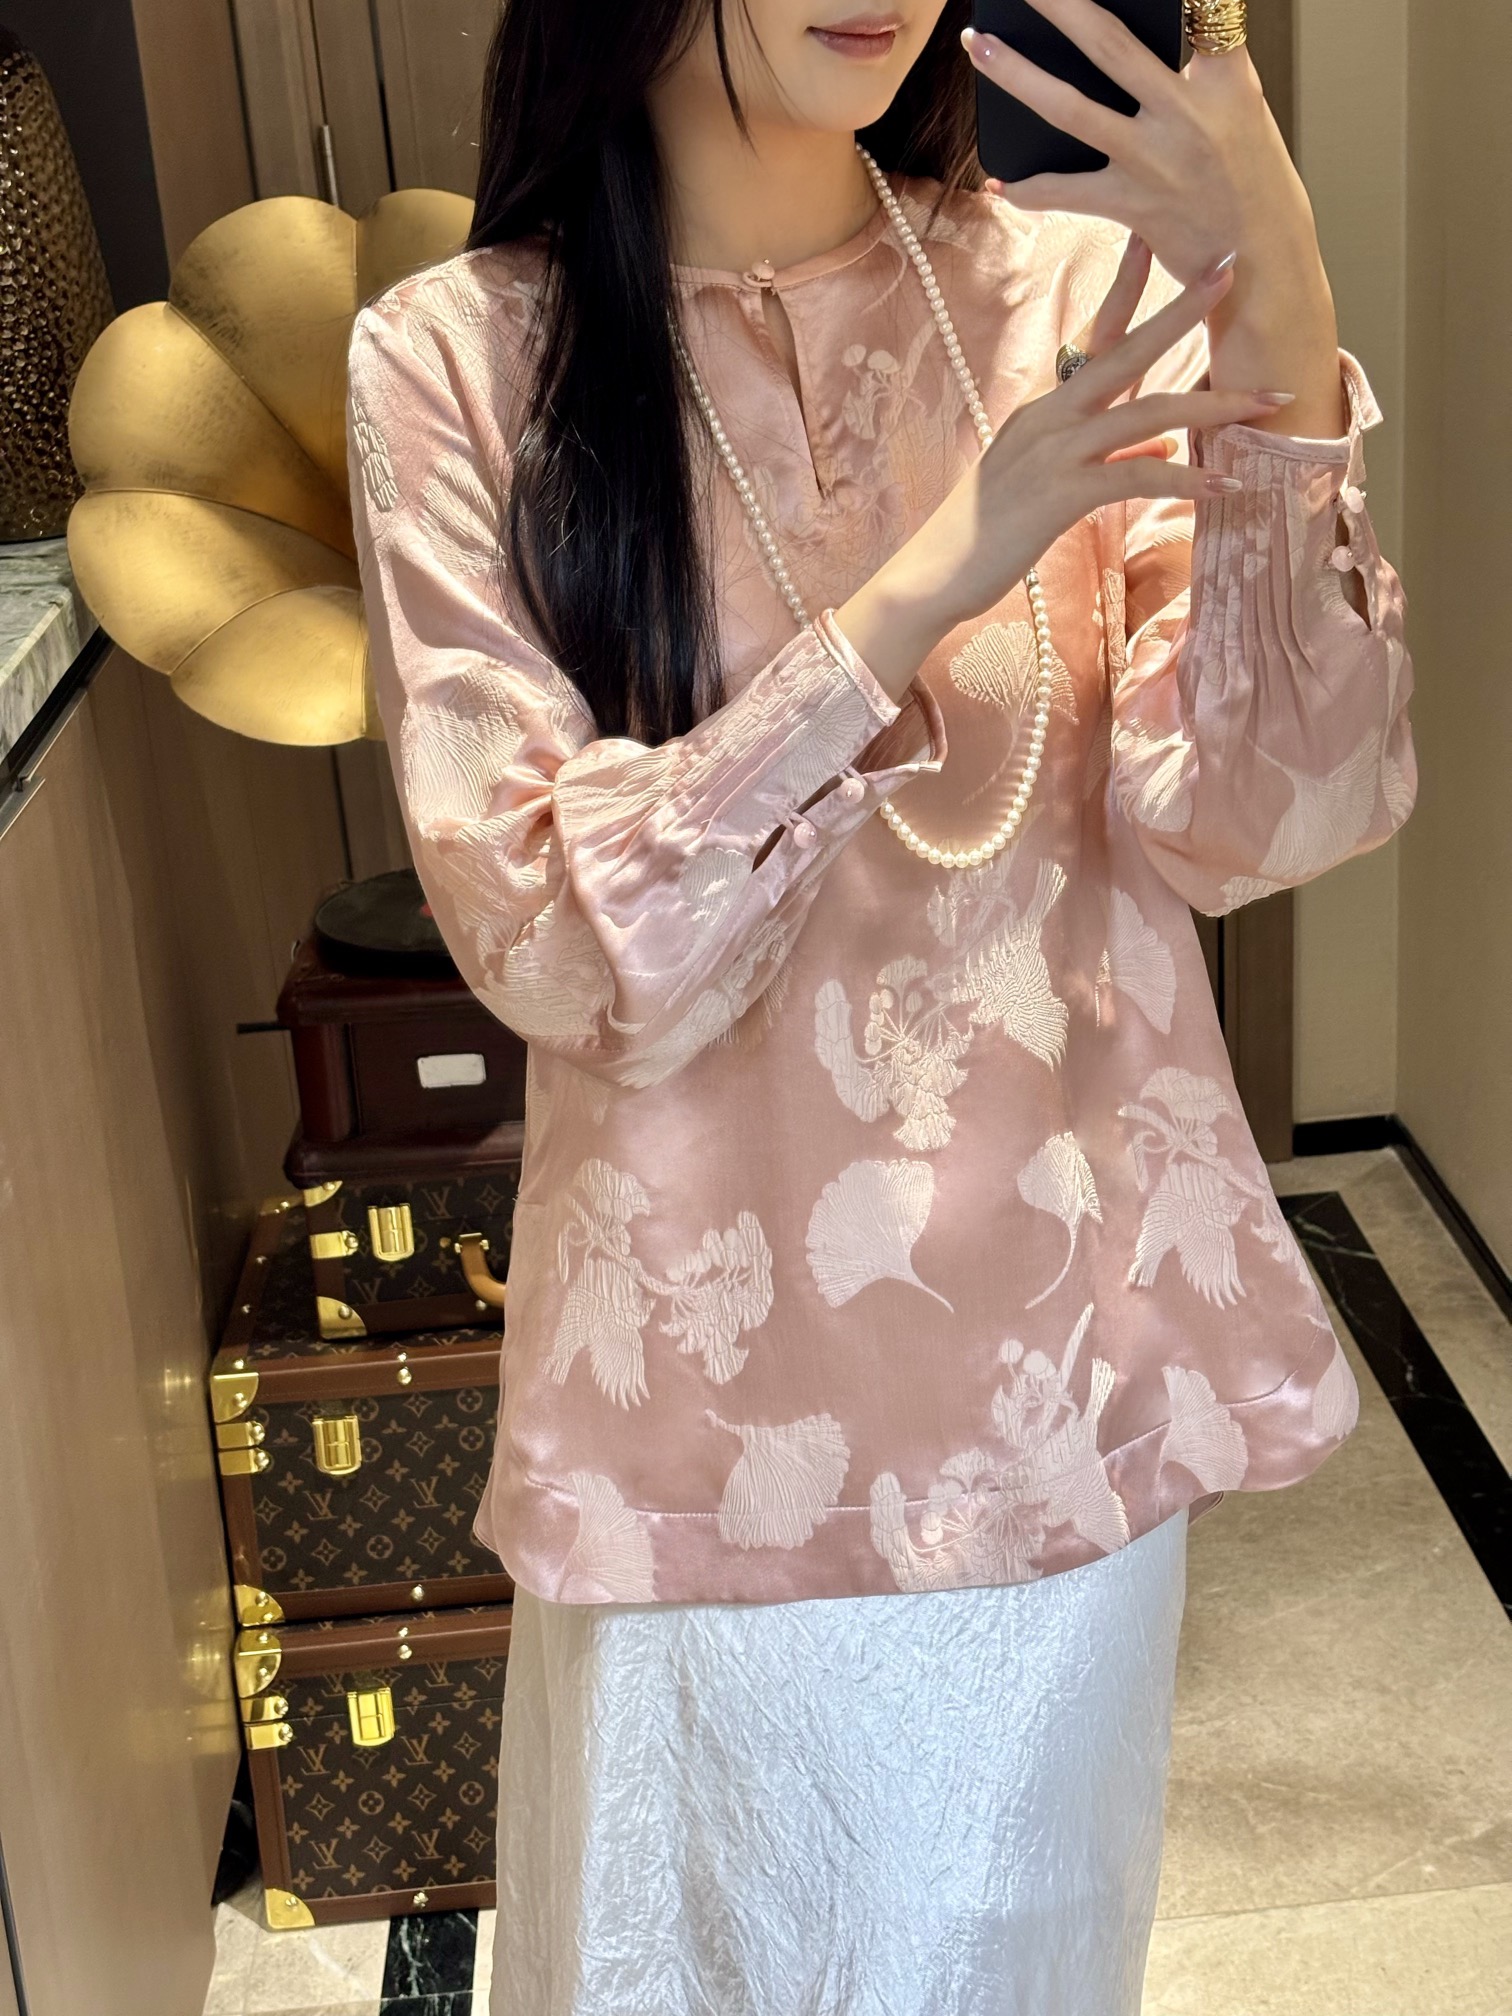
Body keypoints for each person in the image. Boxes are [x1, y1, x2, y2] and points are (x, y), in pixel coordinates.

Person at [346, 0, 1415, 2007]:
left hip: (1060, 1402)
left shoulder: (1073, 301)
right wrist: (930, 579)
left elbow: (1266, 812)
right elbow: (548, 938)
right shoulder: (459, 362)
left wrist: (1289, 323)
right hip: (703, 1439)